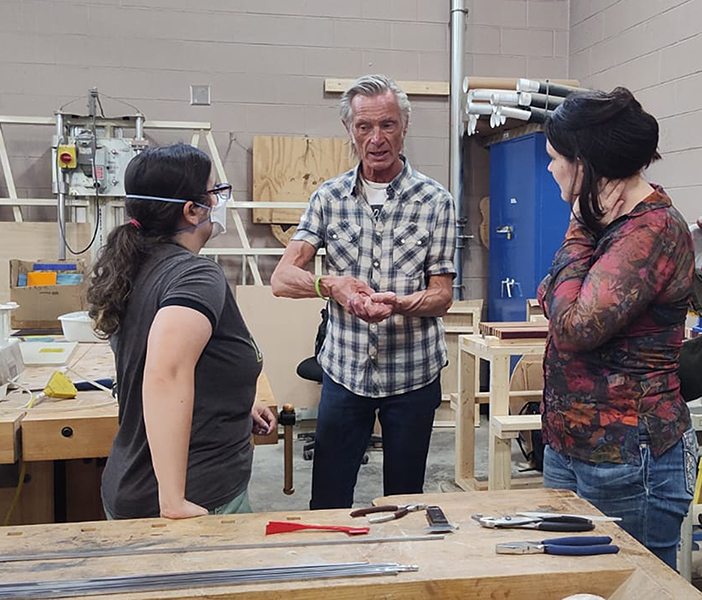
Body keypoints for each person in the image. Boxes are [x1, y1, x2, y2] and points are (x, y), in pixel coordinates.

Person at [271, 74, 456, 509]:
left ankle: (402, 574)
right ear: (349, 130)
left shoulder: (435, 201)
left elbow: (442, 294)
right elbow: (282, 278)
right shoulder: (328, 198)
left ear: (405, 126)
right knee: (329, 502)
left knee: (405, 501)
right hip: (345, 372)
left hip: (413, 374)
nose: (376, 139)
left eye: (388, 125)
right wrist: (331, 285)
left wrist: (403, 304)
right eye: (364, 127)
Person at [536, 87, 698, 569]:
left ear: (583, 165)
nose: (550, 169)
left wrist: (579, 225)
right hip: (572, 447)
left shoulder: (652, 230)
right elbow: (550, 293)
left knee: (632, 584)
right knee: (573, 581)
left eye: (555, 159)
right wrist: (563, 288)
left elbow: (574, 327)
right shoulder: (611, 224)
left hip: (631, 456)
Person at [88, 143, 276, 520]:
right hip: (194, 495)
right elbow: (165, 372)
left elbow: (172, 360)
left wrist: (234, 401)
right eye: (213, 192)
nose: (219, 201)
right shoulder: (195, 274)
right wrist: (173, 501)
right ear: (192, 211)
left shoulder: (134, 264)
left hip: (131, 482)